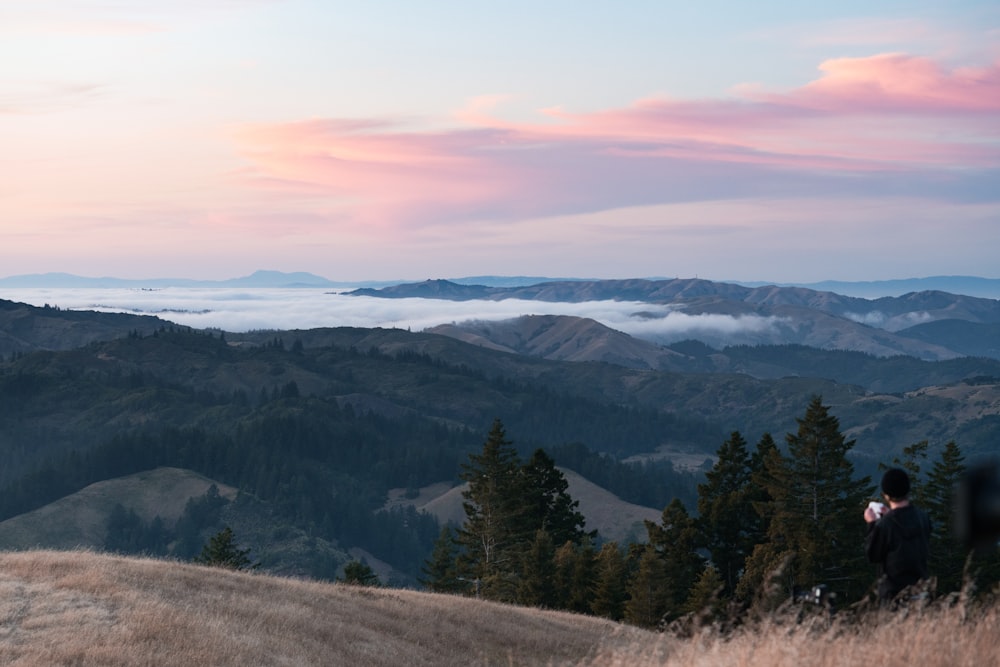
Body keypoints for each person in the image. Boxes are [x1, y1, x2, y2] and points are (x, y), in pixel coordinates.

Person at [864, 468, 932, 603]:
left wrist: (872, 524)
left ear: (886, 495)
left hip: (894, 595)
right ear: (907, 490)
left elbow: (872, 555)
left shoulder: (885, 525)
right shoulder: (923, 517)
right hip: (920, 591)